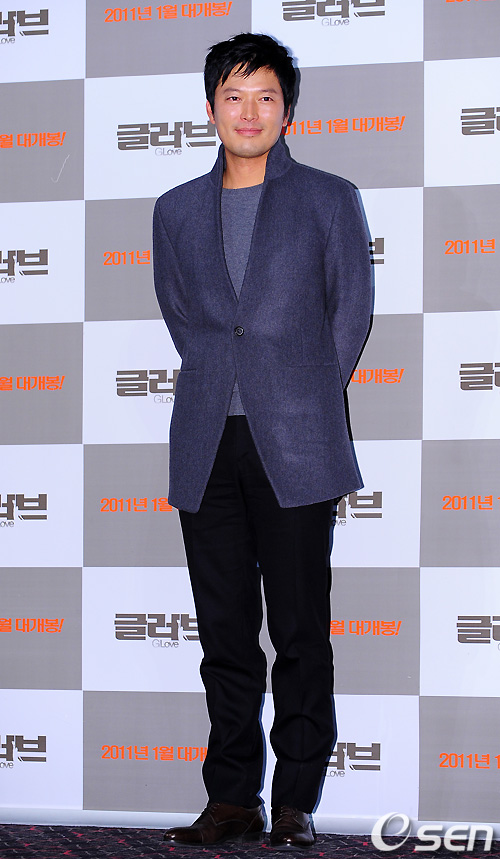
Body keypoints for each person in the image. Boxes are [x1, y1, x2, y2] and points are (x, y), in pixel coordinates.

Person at [153, 32, 372, 849]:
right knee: (224, 634)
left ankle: (294, 801)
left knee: (301, 633)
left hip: (298, 443)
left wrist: (301, 393)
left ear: (287, 112)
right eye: (234, 97)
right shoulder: (174, 209)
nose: (249, 113)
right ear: (211, 109)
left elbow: (349, 315)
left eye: (266, 97)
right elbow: (185, 317)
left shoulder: (328, 198)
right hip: (206, 440)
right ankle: (232, 797)